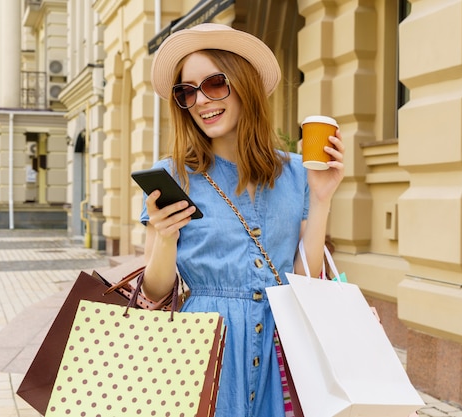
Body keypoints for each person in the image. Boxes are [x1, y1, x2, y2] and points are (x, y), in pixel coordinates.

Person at [140, 23, 345, 417]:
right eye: (188, 91)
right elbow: (155, 290)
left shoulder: (297, 173)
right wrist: (165, 238)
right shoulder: (174, 175)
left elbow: (304, 282)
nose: (201, 101)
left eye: (214, 84)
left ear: (244, 85)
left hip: (281, 349)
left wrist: (321, 201)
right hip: (200, 352)